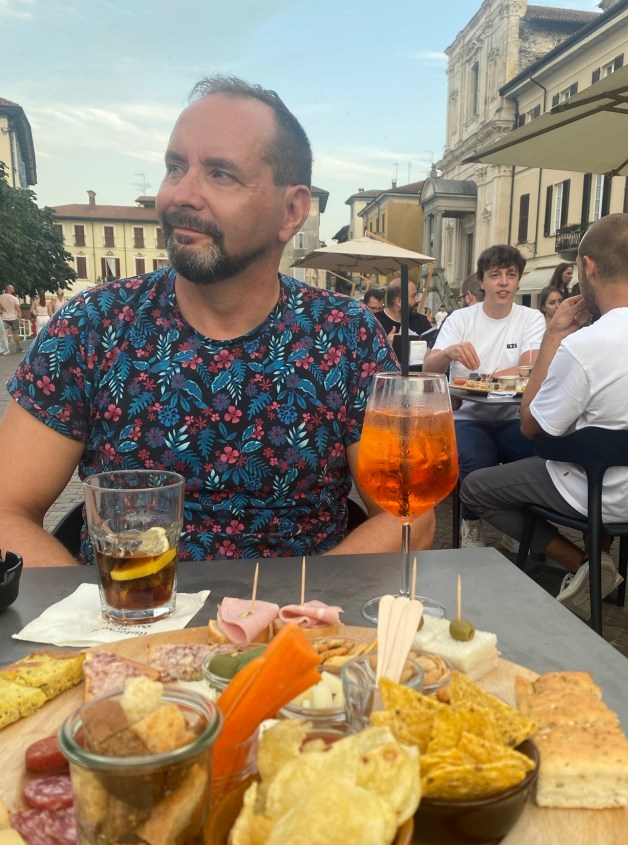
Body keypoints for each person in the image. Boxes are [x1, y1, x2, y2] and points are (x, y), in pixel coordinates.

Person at [0, 75, 434, 567]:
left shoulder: (345, 333)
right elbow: (6, 510)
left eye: (220, 174)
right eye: (175, 168)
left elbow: (410, 515)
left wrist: (302, 607)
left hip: (304, 611)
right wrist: (92, 611)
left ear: (291, 211)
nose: (180, 195)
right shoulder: (92, 325)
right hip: (131, 607)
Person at [462, 214, 628, 620]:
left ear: (588, 266)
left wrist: (554, 335)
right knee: (590, 453)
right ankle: (593, 563)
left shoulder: (584, 344)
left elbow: (531, 425)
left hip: (602, 493)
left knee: (475, 489)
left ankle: (583, 564)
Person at [423, 244, 545, 548]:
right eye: (495, 275)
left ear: (518, 280)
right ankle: (471, 522)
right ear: (481, 281)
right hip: (468, 417)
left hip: (513, 416)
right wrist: (449, 352)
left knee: (536, 456)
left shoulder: (531, 318)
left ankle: (517, 526)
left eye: (510, 275)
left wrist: (484, 379)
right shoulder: (461, 319)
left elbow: (529, 369)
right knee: (477, 458)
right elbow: (428, 367)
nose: (503, 282)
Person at [0, 285, 22, 353]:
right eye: (13, 289)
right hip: (13, 317)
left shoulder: (1, 297)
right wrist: (20, 319)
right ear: (11, 290)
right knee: (15, 333)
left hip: (4, 317)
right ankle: (18, 347)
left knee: (5, 334)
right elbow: (18, 310)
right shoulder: (15, 298)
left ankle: (5, 349)